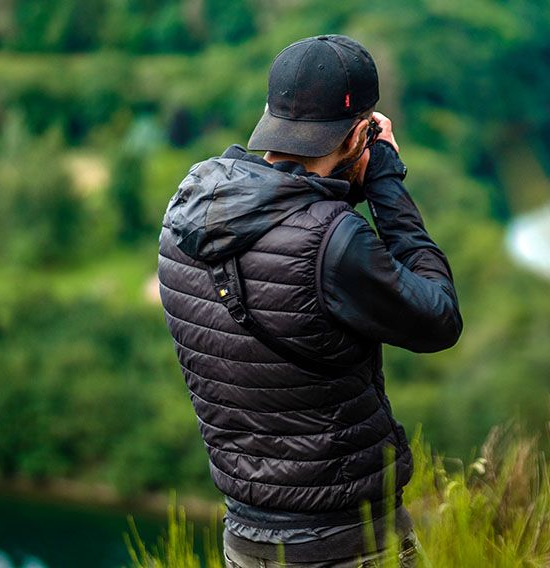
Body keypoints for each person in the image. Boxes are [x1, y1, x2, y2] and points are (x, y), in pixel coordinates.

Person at [157, 34, 462, 567]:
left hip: (246, 538)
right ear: (359, 134)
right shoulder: (332, 241)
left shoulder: (184, 220)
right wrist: (386, 182)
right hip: (347, 543)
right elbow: (439, 320)